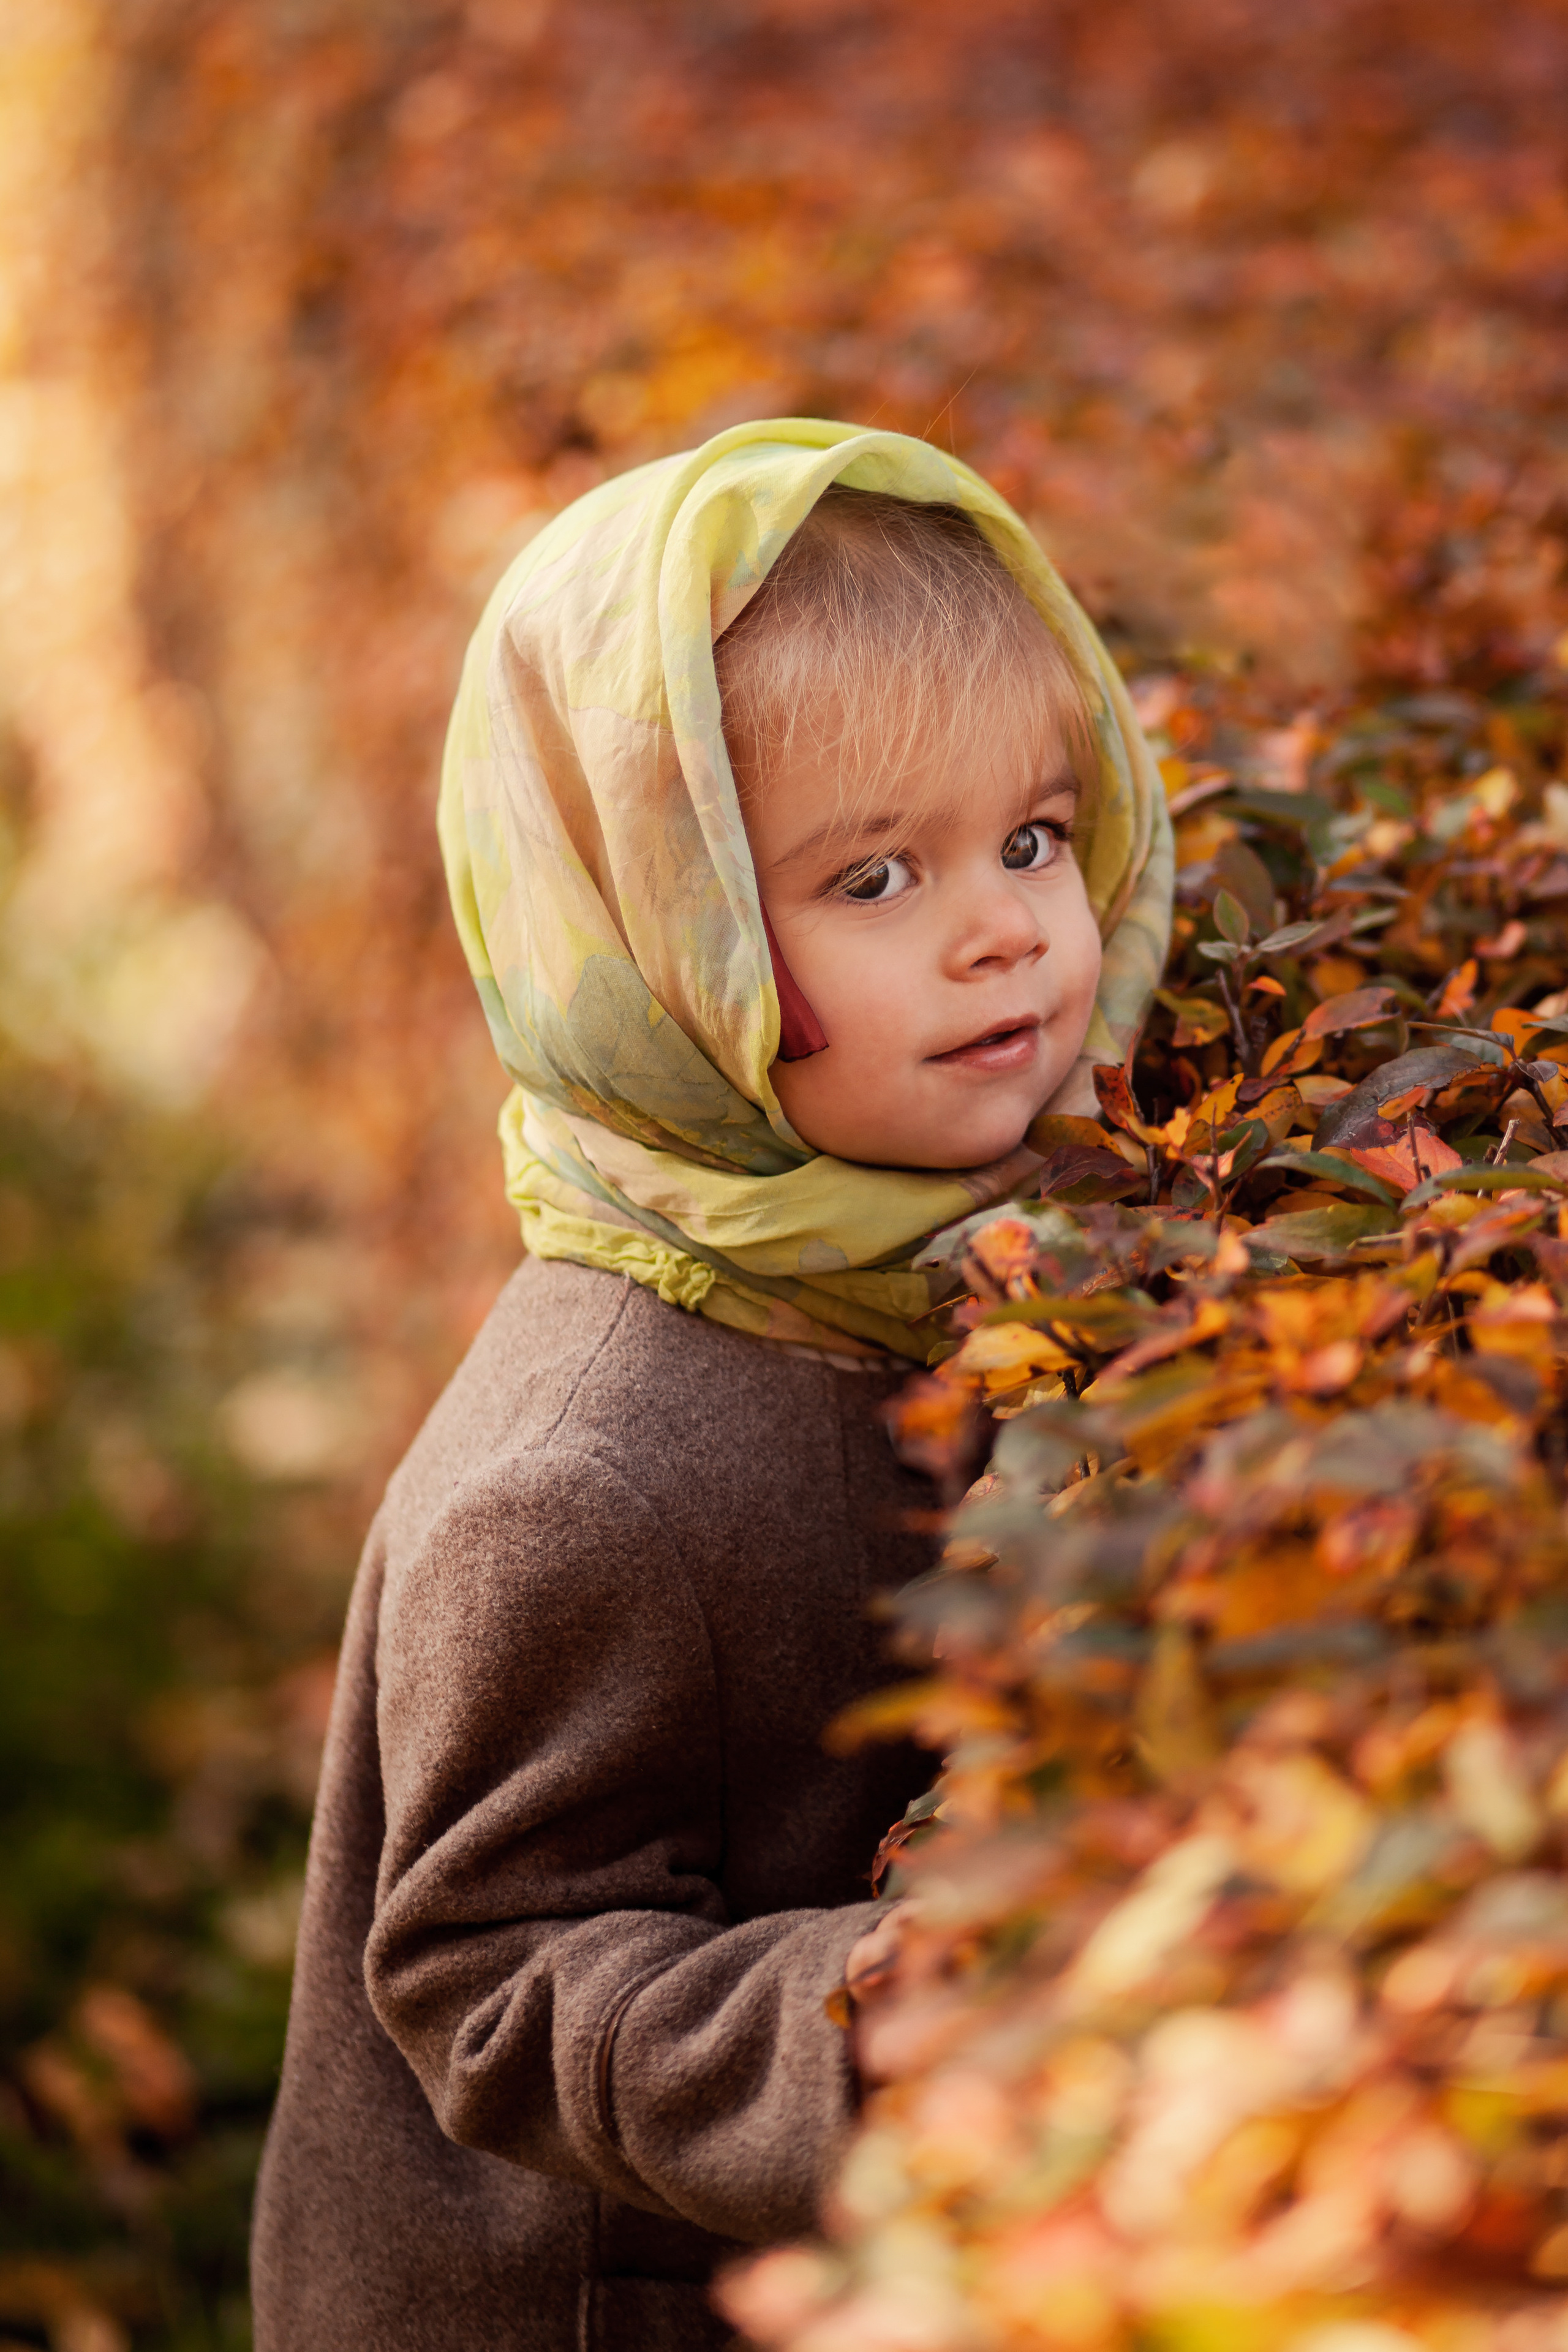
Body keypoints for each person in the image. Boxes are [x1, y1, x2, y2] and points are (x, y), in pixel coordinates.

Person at [250, 418, 1172, 2352]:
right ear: (663, 947)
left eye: (1032, 837)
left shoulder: (912, 1229)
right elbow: (491, 1972)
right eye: (875, 879)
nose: (1006, 922)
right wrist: (923, 2020)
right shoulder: (578, 1483)